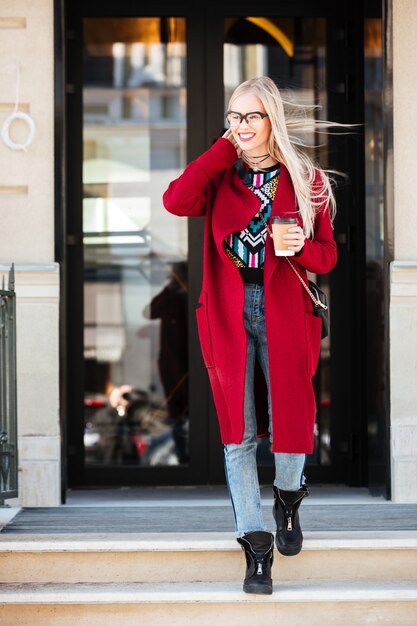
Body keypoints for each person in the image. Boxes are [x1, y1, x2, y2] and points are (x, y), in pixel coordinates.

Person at [162, 76, 337, 595]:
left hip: (284, 311)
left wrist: (299, 246)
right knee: (237, 436)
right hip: (228, 313)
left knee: (290, 419)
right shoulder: (219, 177)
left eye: (251, 117)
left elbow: (327, 255)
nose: (239, 127)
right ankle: (255, 549)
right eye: (233, 118)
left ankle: (288, 496)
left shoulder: (307, 181)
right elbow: (175, 199)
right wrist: (222, 148)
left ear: (272, 122)